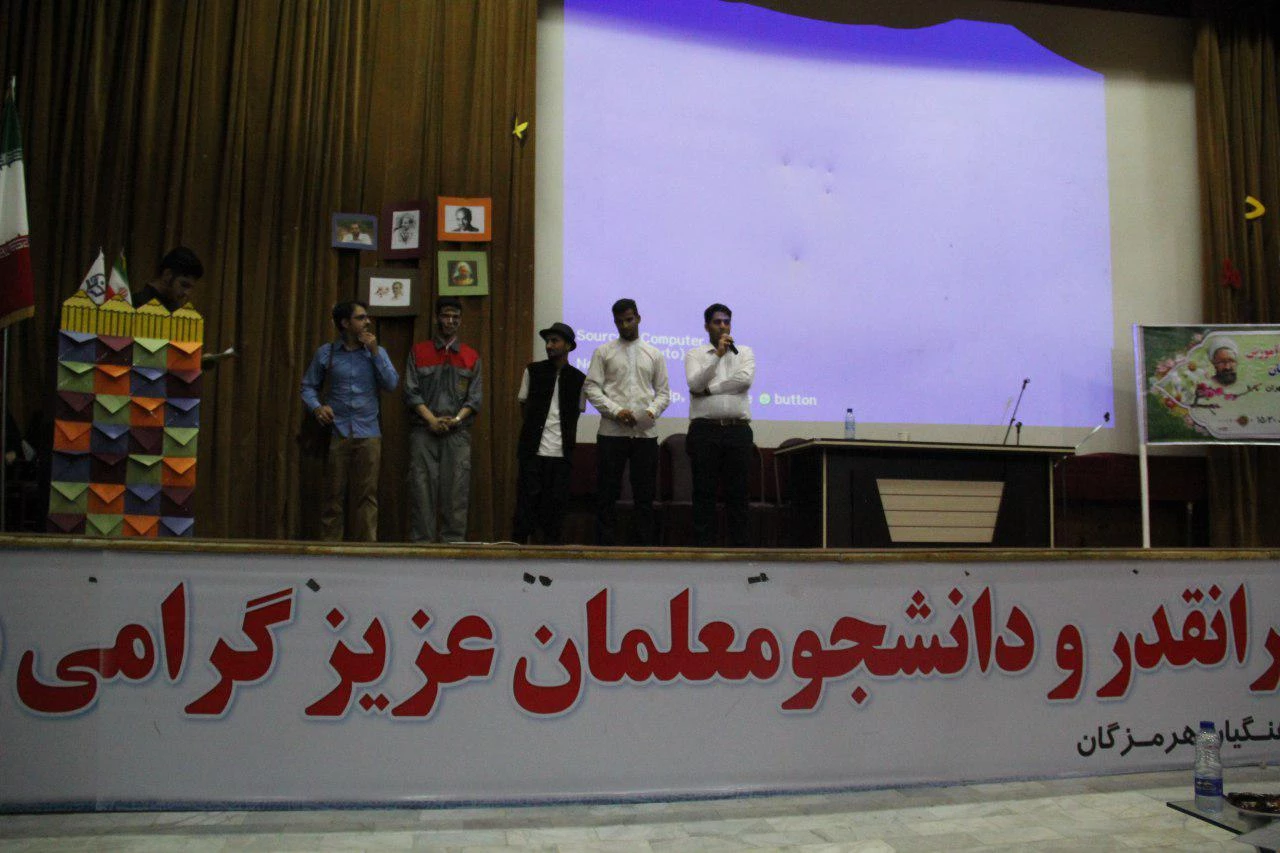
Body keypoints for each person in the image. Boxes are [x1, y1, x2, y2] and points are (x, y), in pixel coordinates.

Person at [300, 301, 399, 542]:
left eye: (367, 317)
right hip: (337, 432)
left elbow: (391, 383)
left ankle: (367, 552)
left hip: (369, 433)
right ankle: (330, 551)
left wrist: (375, 353)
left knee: (368, 496)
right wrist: (317, 408)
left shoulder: (377, 352)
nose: (368, 322)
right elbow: (307, 387)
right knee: (333, 496)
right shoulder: (327, 353)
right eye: (361, 318)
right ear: (345, 323)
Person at [584, 298, 671, 545]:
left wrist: (651, 412)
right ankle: (604, 548)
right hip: (611, 432)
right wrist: (615, 411)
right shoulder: (603, 352)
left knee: (644, 495)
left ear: (638, 318)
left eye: (629, 319)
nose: (624, 325)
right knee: (606, 494)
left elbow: (664, 393)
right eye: (619, 321)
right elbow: (591, 388)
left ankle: (643, 548)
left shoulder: (654, 354)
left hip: (645, 434)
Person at [404, 296, 482, 542]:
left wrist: (456, 420)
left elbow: (474, 399)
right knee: (421, 491)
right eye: (446, 316)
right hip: (424, 431)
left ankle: (454, 548)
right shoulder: (419, 351)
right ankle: (422, 548)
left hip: (457, 433)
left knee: (456, 493)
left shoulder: (471, 356)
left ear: (461, 321)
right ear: (437, 318)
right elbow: (411, 392)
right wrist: (431, 420)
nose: (451, 321)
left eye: (455, 317)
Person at [684, 302, 755, 547]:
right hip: (705, 431)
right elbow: (694, 384)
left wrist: (709, 390)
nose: (723, 326)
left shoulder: (744, 352)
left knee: (738, 494)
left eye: (726, 321)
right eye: (717, 322)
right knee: (704, 493)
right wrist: (717, 356)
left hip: (738, 430)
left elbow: (744, 381)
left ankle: (740, 551)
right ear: (707, 326)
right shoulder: (695, 355)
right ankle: (703, 551)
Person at [512, 322, 586, 545]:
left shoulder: (579, 379)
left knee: (554, 514)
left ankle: (550, 559)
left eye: (555, 341)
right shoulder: (532, 371)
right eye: (547, 341)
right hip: (533, 453)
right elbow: (524, 406)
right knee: (525, 509)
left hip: (561, 456)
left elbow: (577, 413)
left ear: (568, 346)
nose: (549, 345)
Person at [132, 247, 204, 312]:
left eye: (191, 288)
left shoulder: (175, 309)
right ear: (168, 275)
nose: (187, 293)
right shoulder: (136, 304)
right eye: (184, 285)